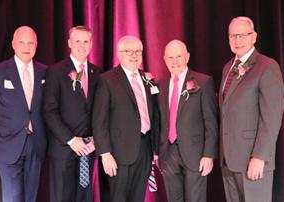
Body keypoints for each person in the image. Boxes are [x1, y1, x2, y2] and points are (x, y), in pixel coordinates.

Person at [219, 16, 284, 202]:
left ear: (254, 37)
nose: (237, 40)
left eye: (242, 35)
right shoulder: (227, 68)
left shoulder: (267, 67)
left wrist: (259, 157)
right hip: (229, 160)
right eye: (233, 36)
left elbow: (271, 118)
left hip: (252, 160)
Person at [0, 26, 47, 202]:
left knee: (31, 196)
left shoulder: (45, 72)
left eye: (31, 42)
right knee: (13, 196)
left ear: (36, 45)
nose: (26, 47)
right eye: (22, 42)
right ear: (13, 44)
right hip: (7, 144)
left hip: (36, 144)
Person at [92, 35, 159, 202]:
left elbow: (155, 115)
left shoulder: (148, 78)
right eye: (129, 51)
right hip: (118, 152)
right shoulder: (107, 80)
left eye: (138, 51)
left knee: (138, 197)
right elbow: (99, 120)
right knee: (118, 198)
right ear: (119, 54)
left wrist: (156, 150)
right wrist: (105, 153)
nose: (134, 55)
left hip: (145, 149)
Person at [43, 25, 101, 202]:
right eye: (77, 41)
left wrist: (95, 139)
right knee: (62, 197)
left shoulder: (96, 72)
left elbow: (99, 110)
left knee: (84, 197)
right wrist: (71, 139)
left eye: (85, 41)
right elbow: (49, 111)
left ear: (91, 44)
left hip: (88, 148)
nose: (81, 45)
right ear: (69, 43)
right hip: (64, 149)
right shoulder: (56, 71)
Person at [156, 40, 218, 202]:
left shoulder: (203, 82)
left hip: (195, 154)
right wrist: (157, 152)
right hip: (168, 154)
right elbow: (158, 121)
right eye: (170, 57)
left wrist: (208, 155)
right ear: (164, 59)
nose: (174, 61)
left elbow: (211, 121)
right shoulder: (160, 85)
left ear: (187, 57)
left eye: (178, 56)